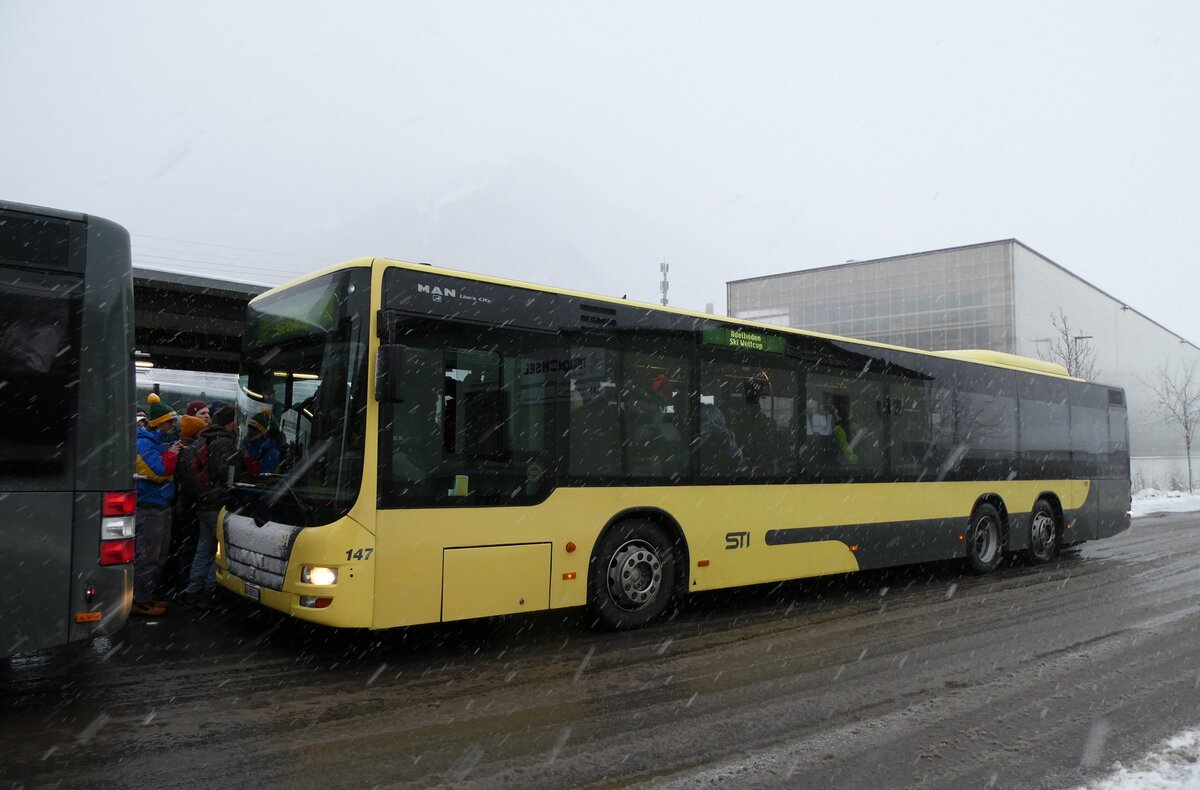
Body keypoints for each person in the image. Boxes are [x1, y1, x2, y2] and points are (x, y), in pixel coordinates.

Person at [181, 405, 242, 609]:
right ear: (231, 422)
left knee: (204, 548)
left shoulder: (203, 439)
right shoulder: (223, 442)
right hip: (218, 504)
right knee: (219, 550)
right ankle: (210, 590)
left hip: (202, 503)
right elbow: (228, 474)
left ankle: (193, 589)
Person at [133, 393, 180, 617]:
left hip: (160, 506)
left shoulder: (157, 442)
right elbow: (157, 471)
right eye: (170, 422)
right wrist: (171, 455)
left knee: (157, 557)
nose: (173, 426)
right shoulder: (143, 443)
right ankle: (140, 600)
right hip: (149, 507)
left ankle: (148, 596)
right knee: (147, 558)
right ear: (159, 423)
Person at [162, 414, 207, 600]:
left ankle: (173, 587)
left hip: (178, 504)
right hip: (187, 506)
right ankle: (183, 588)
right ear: (196, 434)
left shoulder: (176, 449)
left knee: (179, 547)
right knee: (188, 548)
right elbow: (191, 484)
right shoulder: (188, 452)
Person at [244, 410, 280, 475]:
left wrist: (248, 459)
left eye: (254, 430)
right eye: (249, 428)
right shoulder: (247, 445)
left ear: (264, 433)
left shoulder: (271, 452)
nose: (250, 432)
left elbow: (264, 474)